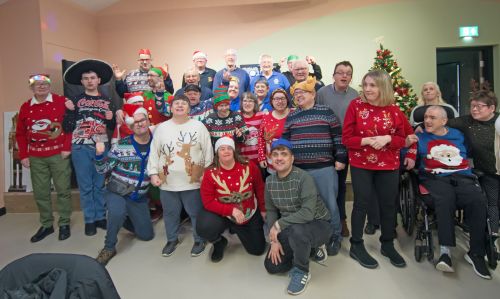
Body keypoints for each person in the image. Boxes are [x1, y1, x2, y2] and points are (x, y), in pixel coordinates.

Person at [342, 69, 417, 269]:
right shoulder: (355, 106)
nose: (367, 89)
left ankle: (387, 244)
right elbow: (346, 139)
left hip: (388, 163)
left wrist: (388, 139)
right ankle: (356, 245)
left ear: (383, 87)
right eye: (365, 84)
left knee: (388, 205)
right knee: (361, 204)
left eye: (372, 85)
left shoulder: (393, 109)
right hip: (361, 163)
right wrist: (367, 140)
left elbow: (404, 139)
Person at [416, 105, 491, 279]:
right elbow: (407, 156)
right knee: (445, 198)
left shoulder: (458, 135)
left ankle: (476, 253)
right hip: (434, 177)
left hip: (462, 176)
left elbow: (468, 155)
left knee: (477, 199)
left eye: (432, 118)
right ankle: (445, 252)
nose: (427, 120)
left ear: (444, 121)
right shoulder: (419, 137)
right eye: (426, 117)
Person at [282, 77, 346, 256]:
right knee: (305, 206)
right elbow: (285, 142)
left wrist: (340, 157)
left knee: (329, 204)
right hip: (299, 171)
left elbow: (338, 137)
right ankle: (312, 238)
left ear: (313, 94)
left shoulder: (326, 112)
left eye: (302, 92)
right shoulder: (292, 115)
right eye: (296, 93)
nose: (298, 96)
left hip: (324, 168)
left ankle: (335, 236)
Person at [147, 95, 214, 257]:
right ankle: (172, 239)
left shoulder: (198, 126)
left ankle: (199, 239)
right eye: (176, 103)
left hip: (193, 180)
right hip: (167, 180)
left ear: (189, 108)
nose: (180, 106)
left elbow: (208, 151)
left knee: (195, 212)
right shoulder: (162, 128)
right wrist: (153, 173)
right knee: (170, 213)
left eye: (184, 103)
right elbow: (154, 152)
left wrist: (206, 172)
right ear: (170, 108)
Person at [264, 138, 332, 295]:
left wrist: (278, 225)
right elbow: (271, 210)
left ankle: (302, 271)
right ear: (271, 158)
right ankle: (309, 250)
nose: (279, 158)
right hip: (291, 226)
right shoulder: (269, 182)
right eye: (275, 154)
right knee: (272, 266)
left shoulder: (304, 178)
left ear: (292, 158)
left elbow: (307, 213)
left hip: (318, 223)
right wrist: (274, 240)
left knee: (298, 232)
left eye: (284, 154)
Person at [94, 105, 155, 265]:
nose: (139, 124)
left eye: (142, 121)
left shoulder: (157, 144)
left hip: (138, 197)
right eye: (135, 123)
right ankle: (109, 247)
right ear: (130, 126)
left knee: (147, 235)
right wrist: (99, 155)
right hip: (117, 191)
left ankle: (121, 217)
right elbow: (102, 169)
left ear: (148, 122)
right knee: (116, 212)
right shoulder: (122, 145)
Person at [16, 74, 72, 242]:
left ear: (49, 86)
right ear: (31, 88)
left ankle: (64, 223)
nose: (41, 87)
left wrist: (66, 147)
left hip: (58, 154)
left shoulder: (61, 101)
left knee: (63, 190)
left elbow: (70, 125)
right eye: (37, 85)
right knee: (41, 192)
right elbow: (20, 134)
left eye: (44, 84)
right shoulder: (25, 107)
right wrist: (24, 155)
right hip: (36, 157)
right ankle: (47, 224)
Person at [63, 59, 116, 236]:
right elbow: (67, 127)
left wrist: (110, 118)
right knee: (85, 186)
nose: (90, 81)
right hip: (80, 147)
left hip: (101, 146)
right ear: (82, 81)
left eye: (93, 78)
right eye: (86, 78)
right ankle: (89, 220)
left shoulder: (107, 100)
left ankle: (101, 217)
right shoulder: (75, 100)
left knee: (100, 184)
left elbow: (111, 125)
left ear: (99, 80)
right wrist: (70, 111)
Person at [197, 136, 266, 262]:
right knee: (204, 227)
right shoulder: (210, 173)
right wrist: (230, 211)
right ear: (217, 152)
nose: (226, 151)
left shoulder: (249, 166)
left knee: (257, 250)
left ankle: (241, 230)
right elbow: (208, 202)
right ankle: (218, 242)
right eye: (222, 149)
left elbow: (260, 188)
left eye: (229, 148)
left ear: (234, 151)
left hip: (249, 212)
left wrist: (263, 208)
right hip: (224, 215)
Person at [445, 91, 499, 237]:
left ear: (492, 108)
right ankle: (492, 237)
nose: (474, 109)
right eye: (472, 106)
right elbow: (442, 121)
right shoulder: (468, 121)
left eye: (479, 106)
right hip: (487, 172)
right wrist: (419, 125)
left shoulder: (499, 121)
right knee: (492, 203)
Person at [316, 60, 359, 237]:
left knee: (340, 185)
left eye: (348, 73)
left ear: (350, 77)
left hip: (344, 147)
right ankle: (323, 220)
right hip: (325, 145)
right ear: (333, 75)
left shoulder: (355, 95)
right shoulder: (322, 93)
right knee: (324, 185)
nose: (344, 75)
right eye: (340, 72)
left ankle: (341, 220)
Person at [258, 89, 292, 174]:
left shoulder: (293, 114)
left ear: (287, 100)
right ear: (272, 101)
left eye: (282, 98)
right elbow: (261, 137)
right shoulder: (266, 116)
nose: (280, 101)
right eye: (276, 99)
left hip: (290, 160)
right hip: (272, 161)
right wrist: (261, 157)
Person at [238, 92, 264, 165]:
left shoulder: (262, 116)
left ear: (255, 103)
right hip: (243, 160)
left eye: (250, 101)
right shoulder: (237, 117)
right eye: (245, 101)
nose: (247, 103)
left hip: (260, 160)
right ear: (241, 103)